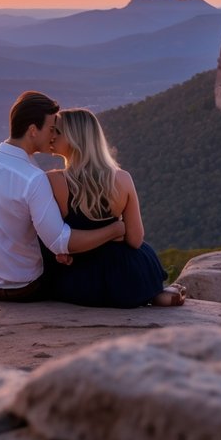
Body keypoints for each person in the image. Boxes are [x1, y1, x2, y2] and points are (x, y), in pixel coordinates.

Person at [0, 91, 129, 302]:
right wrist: (116, 229)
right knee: (83, 260)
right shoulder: (33, 178)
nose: (53, 136)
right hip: (26, 286)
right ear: (32, 130)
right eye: (50, 129)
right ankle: (146, 293)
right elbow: (60, 241)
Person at [46, 107, 186, 308]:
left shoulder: (53, 181)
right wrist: (116, 230)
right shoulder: (122, 178)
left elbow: (51, 236)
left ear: (74, 138)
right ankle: (154, 294)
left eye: (57, 132)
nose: (52, 137)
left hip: (82, 276)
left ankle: (152, 296)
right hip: (128, 272)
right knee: (134, 286)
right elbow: (135, 240)